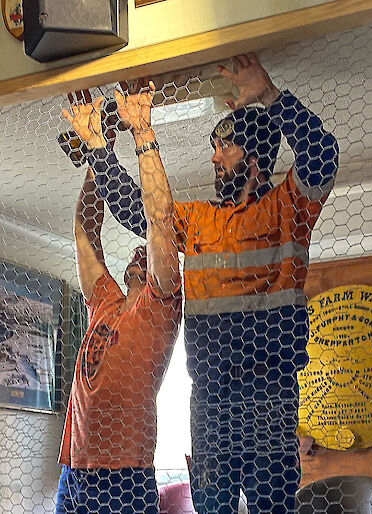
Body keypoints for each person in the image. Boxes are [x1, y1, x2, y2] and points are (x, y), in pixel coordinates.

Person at [68, 53, 339, 513]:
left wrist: (270, 97)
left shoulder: (288, 206)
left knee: (273, 507)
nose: (213, 156)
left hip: (268, 393)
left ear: (255, 157)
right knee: (211, 507)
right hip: (210, 397)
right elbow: (140, 212)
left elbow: (323, 156)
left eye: (224, 146)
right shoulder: (197, 219)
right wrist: (100, 150)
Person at [56, 90, 182, 514]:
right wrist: (98, 153)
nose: (137, 253)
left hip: (122, 477)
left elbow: (159, 228)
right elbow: (84, 232)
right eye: (135, 252)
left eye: (144, 254)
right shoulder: (107, 303)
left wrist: (133, 138)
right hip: (72, 468)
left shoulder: (159, 312)